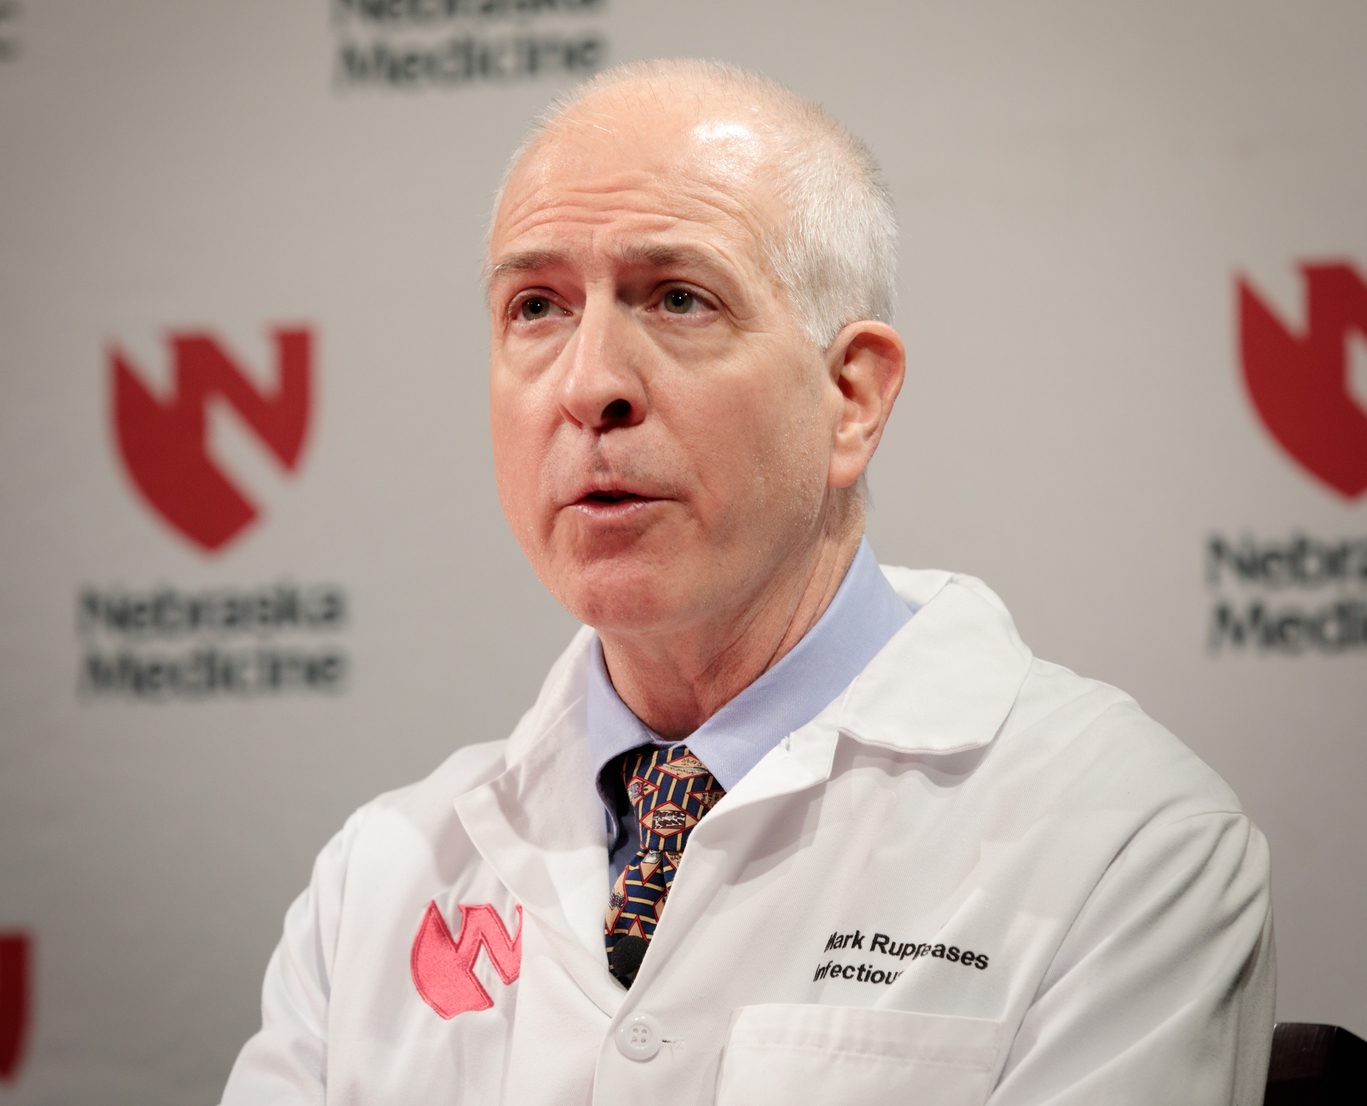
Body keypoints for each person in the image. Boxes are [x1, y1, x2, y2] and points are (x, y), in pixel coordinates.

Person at [220, 58, 1274, 1105]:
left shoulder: (1124, 839)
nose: (588, 383)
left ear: (850, 398)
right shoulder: (378, 877)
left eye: (678, 298)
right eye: (536, 306)